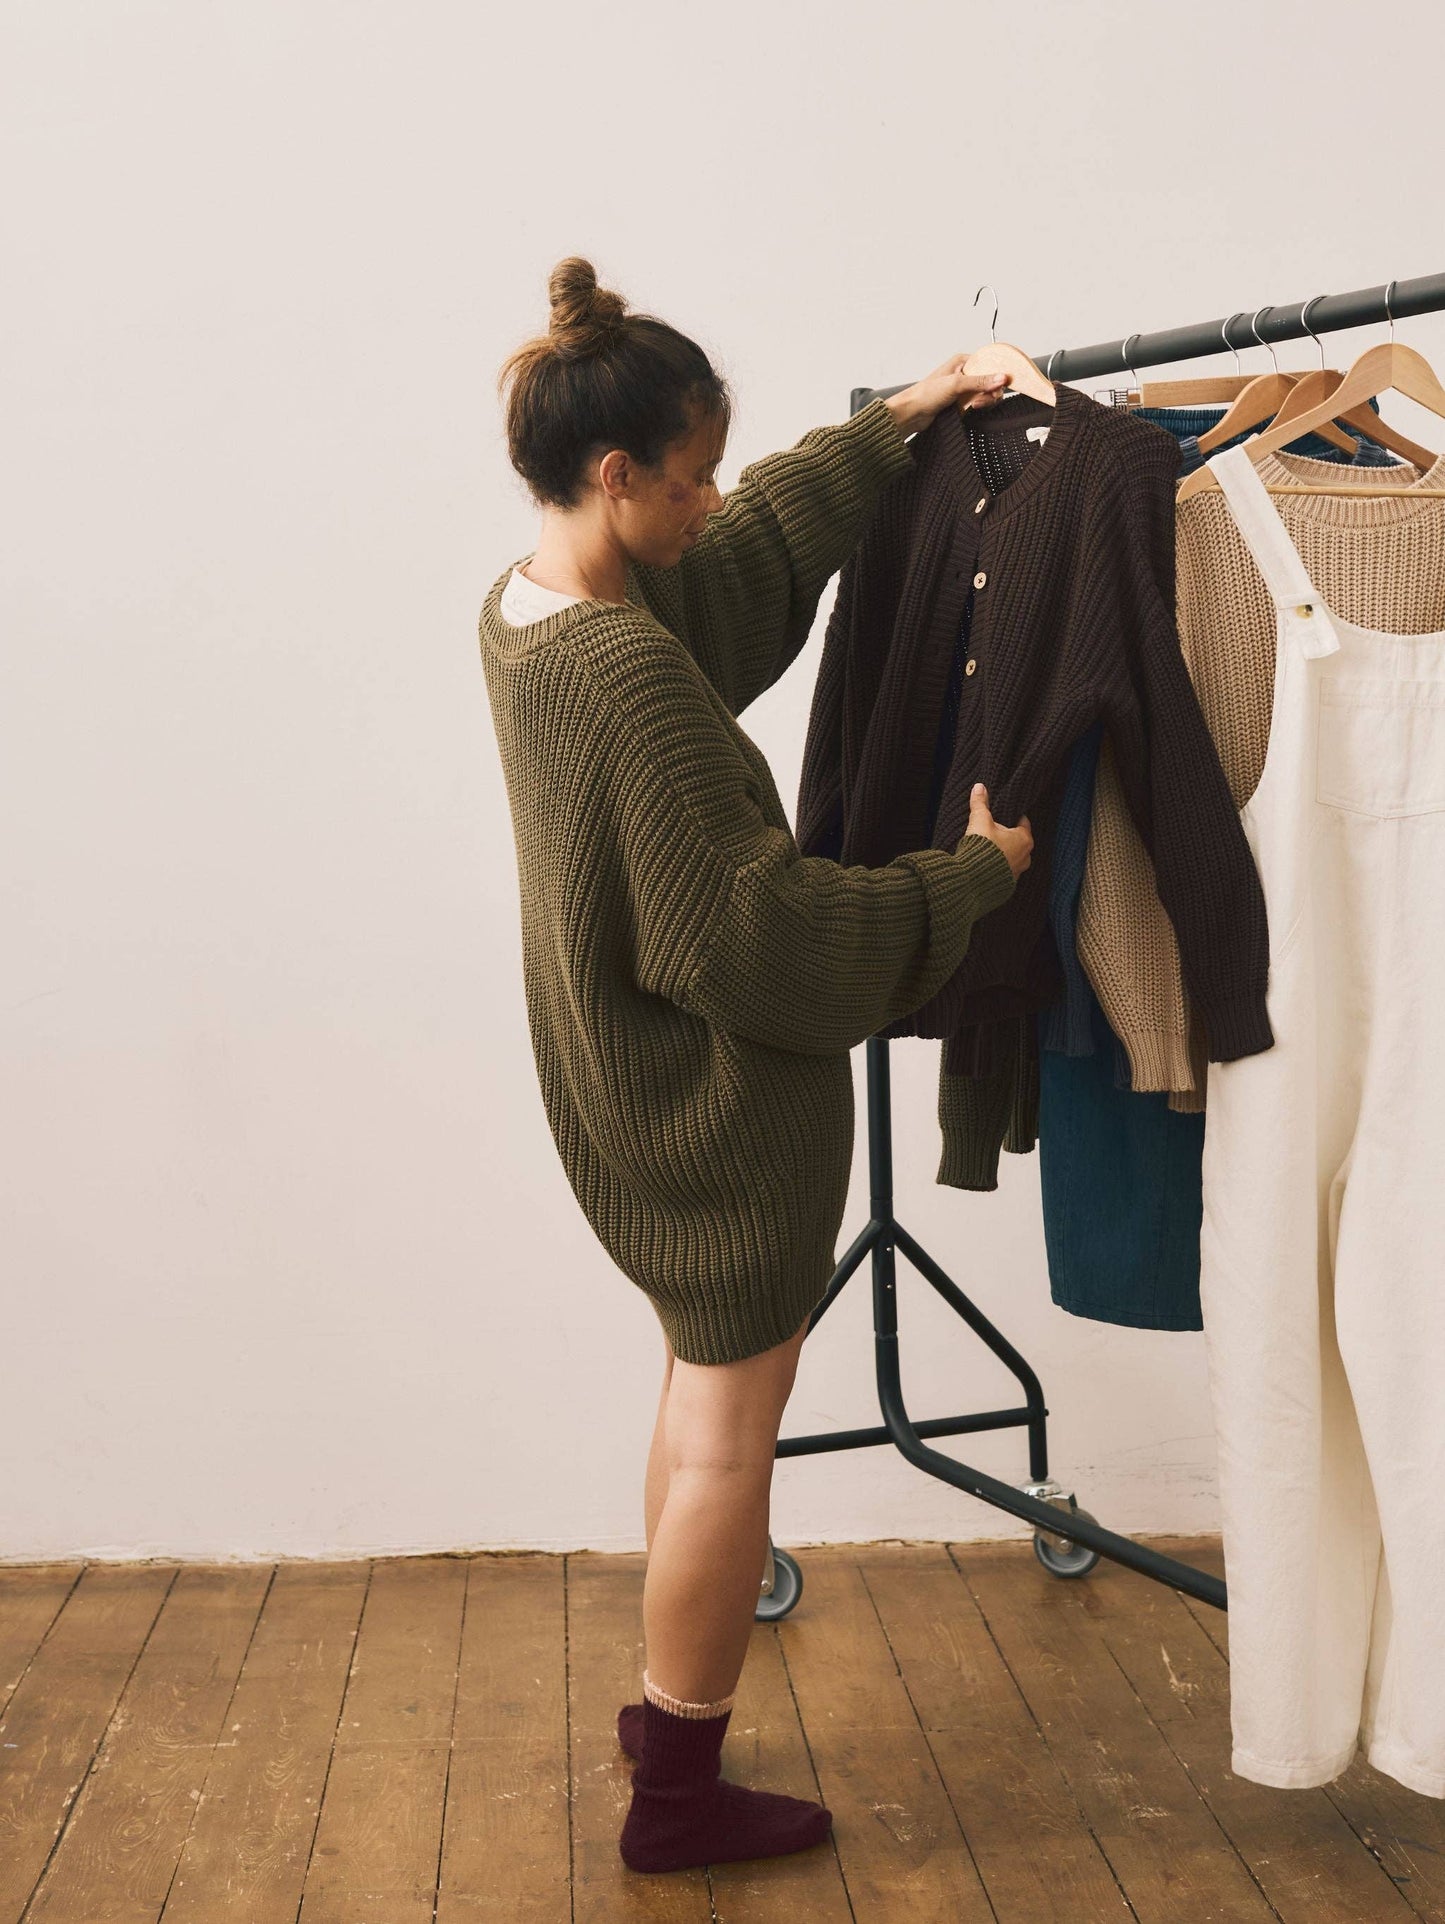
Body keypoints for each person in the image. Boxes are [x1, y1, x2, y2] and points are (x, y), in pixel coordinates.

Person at [481, 256, 1033, 1876]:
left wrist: (903, 419)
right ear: (614, 473)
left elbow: (747, 555)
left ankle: (670, 1721)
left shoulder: (529, 612)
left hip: (620, 1082)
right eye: (693, 472)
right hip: (714, 1113)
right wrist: (971, 874)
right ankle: (678, 1794)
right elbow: (757, 935)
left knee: (692, 1399)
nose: (717, 499)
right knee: (731, 1436)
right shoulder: (623, 671)